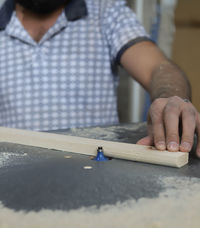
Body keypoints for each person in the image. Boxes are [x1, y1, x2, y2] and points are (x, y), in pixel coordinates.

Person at [0, 0, 199, 157]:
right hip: (11, 175)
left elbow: (158, 68)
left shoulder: (106, 13)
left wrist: (171, 99)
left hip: (94, 173)